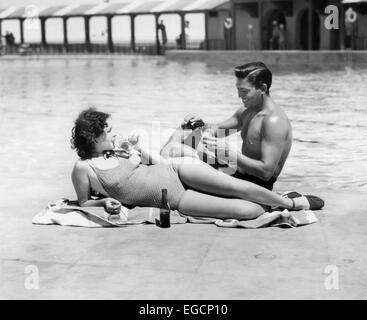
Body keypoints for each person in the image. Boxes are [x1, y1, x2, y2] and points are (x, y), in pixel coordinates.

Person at [70, 108, 323, 220]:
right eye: (109, 131)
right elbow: (84, 202)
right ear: (93, 136)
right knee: (250, 211)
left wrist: (136, 150)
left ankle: (291, 202)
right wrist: (104, 201)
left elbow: (152, 162)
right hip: (173, 199)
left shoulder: (117, 151)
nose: (114, 134)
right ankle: (272, 200)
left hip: (176, 169)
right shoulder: (83, 169)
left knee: (236, 187)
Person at [160, 62, 292, 191]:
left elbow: (266, 172)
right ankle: (162, 174)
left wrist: (228, 152)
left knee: (174, 150)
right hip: (237, 173)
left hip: (256, 185)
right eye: (238, 89)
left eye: (244, 91)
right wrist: (199, 125)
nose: (239, 96)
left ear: (262, 89)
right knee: (184, 132)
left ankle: (160, 176)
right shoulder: (247, 111)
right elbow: (217, 131)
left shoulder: (274, 121)